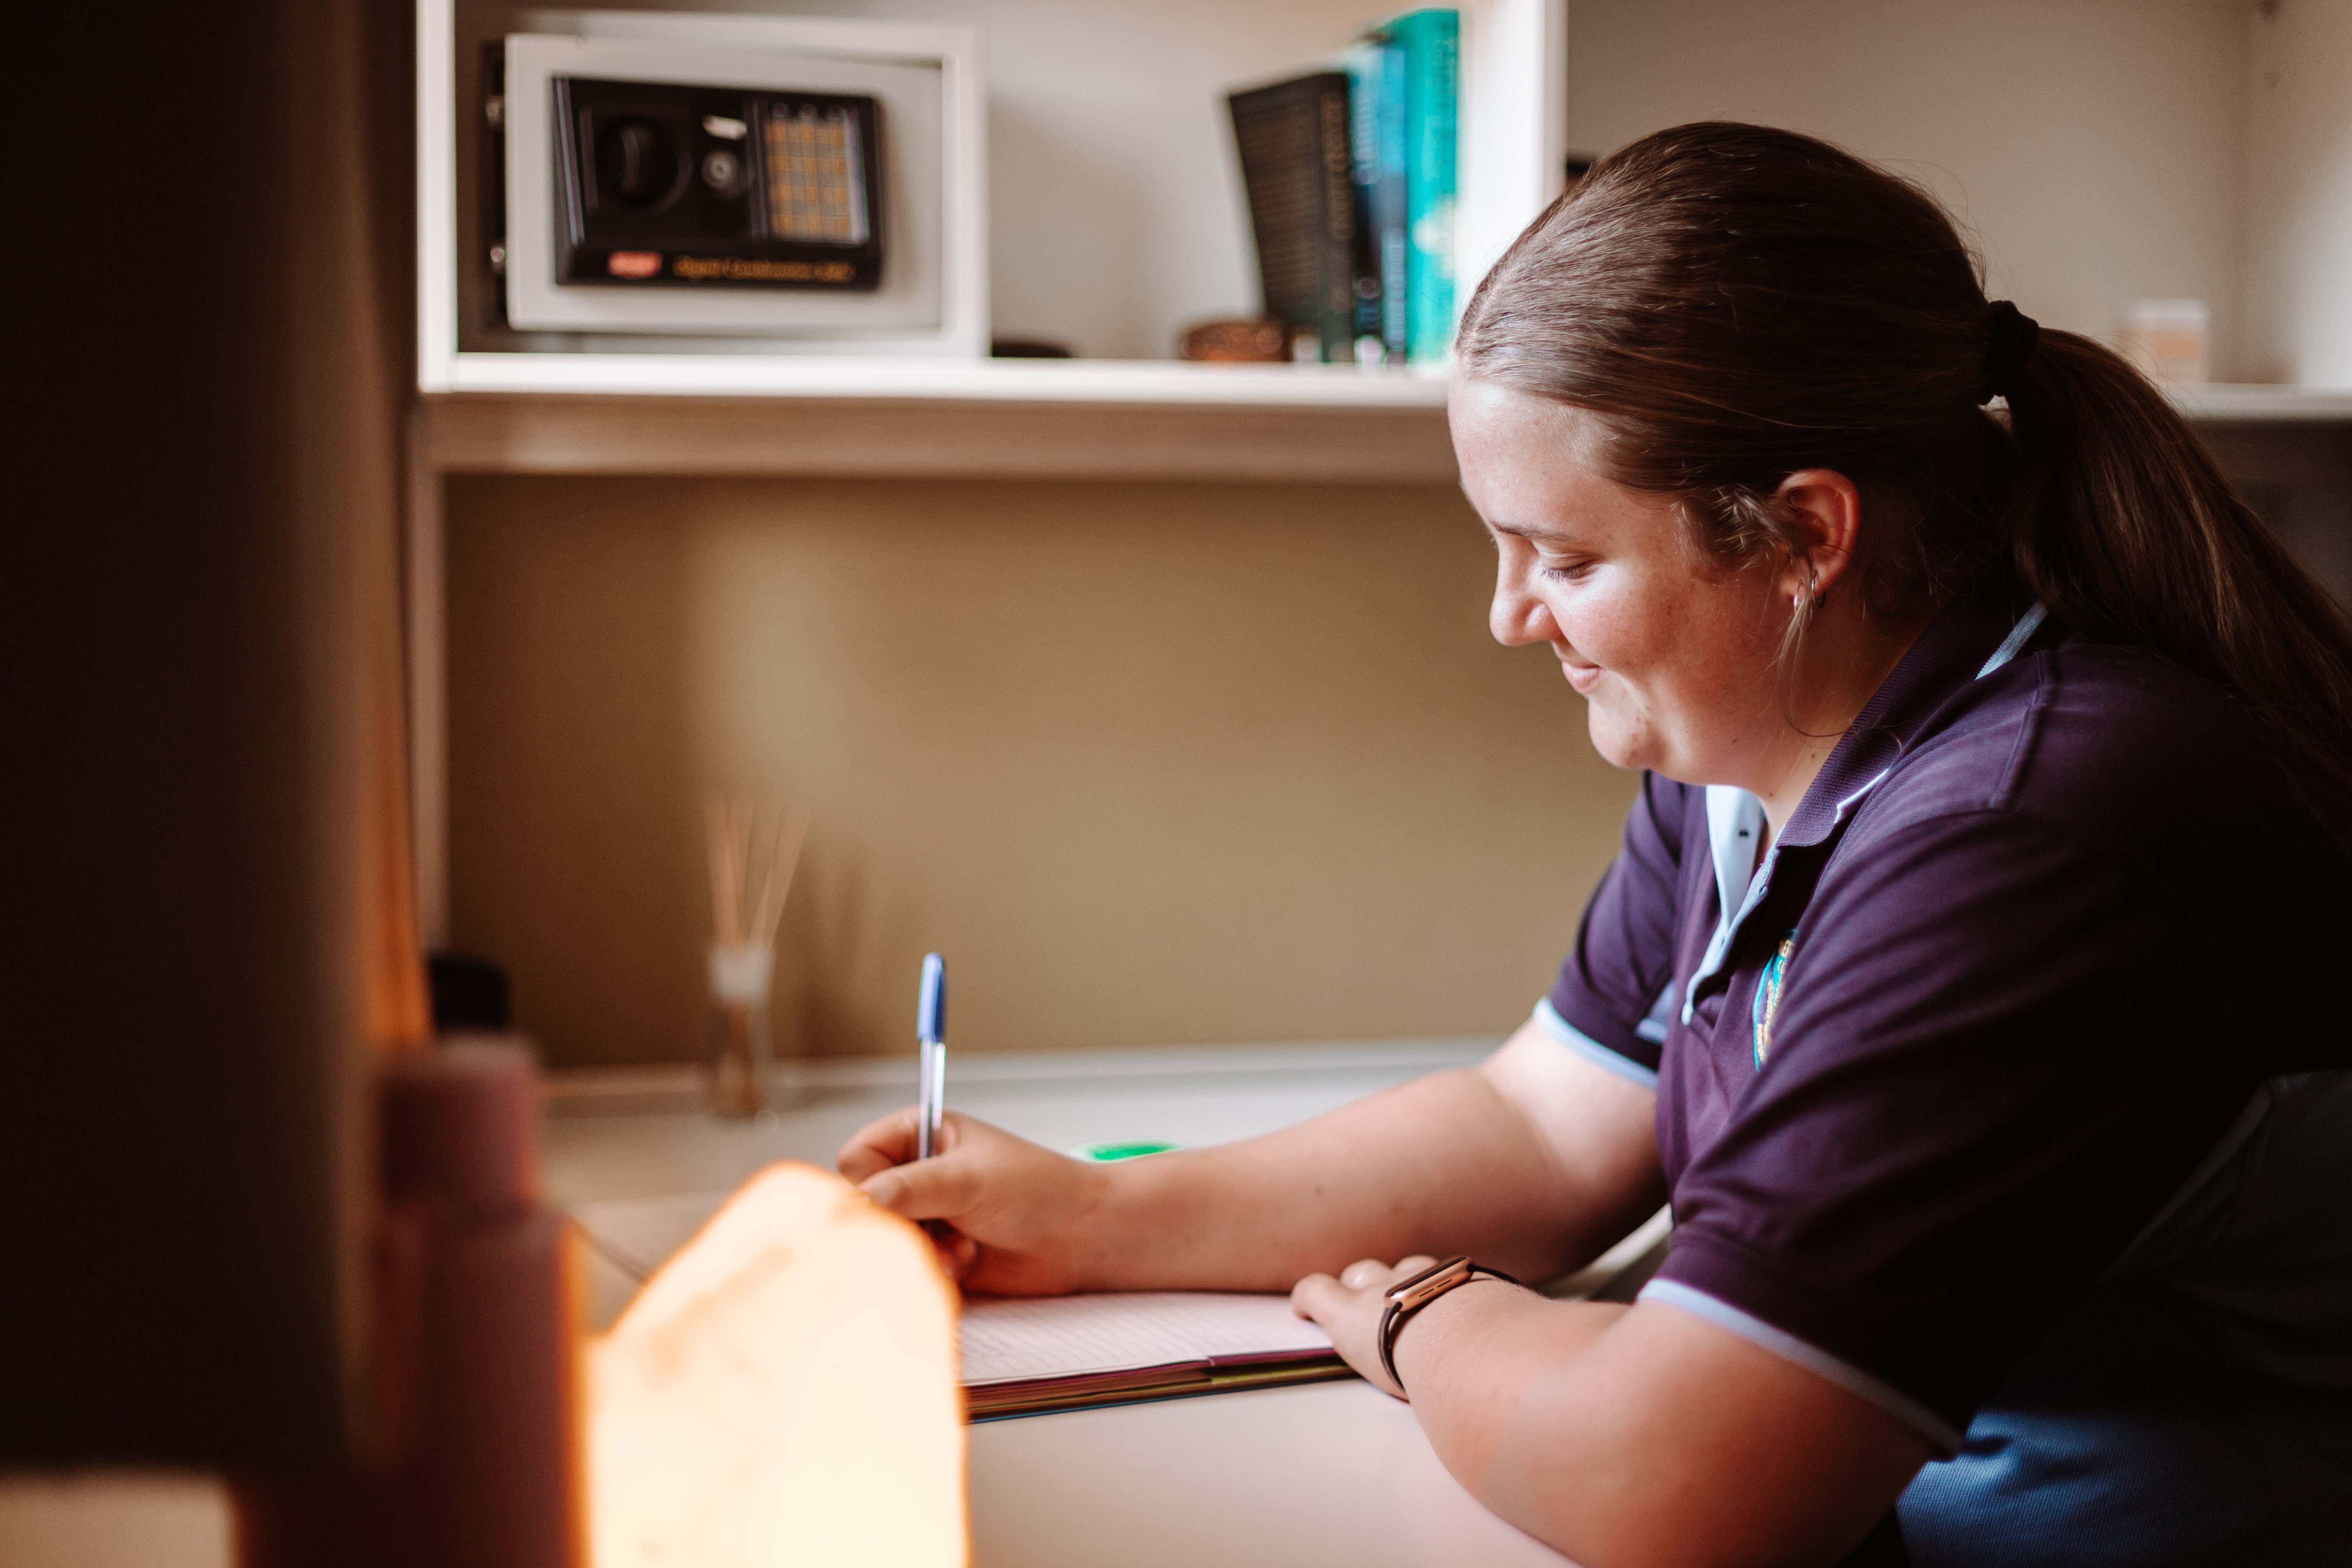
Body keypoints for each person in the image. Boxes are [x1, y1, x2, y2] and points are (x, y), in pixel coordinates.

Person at [839, 123, 2352, 1568]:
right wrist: (1095, 1219)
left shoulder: (2034, 833)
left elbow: (1677, 1487)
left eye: (1563, 555)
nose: (1508, 615)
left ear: (1806, 536)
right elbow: (1545, 1128)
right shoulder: (1759, 757)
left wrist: (1423, 1315)